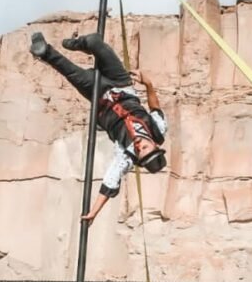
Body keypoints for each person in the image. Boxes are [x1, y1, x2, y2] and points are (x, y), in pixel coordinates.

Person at [30, 31, 168, 223]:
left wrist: (93, 213)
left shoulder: (126, 157)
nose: (139, 146)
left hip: (102, 100)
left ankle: (44, 52)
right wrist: (148, 84)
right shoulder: (158, 130)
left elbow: (109, 185)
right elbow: (155, 107)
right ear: (156, 146)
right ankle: (79, 43)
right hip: (121, 85)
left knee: (75, 74)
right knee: (95, 42)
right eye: (145, 147)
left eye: (139, 152)